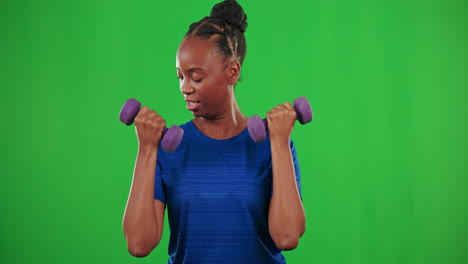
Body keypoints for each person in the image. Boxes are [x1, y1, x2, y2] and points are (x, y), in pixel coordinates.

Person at [122, 0, 306, 263]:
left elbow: (287, 238)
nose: (185, 87)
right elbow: (139, 244)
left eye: (196, 77)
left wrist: (278, 142)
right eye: (180, 76)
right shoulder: (167, 147)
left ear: (232, 72)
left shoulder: (274, 144)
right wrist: (146, 149)